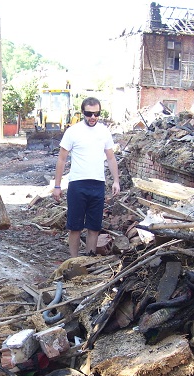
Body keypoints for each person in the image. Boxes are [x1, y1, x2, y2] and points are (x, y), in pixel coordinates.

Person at [52, 97, 120, 257]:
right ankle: (74, 262)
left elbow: (110, 157)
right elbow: (61, 159)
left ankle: (89, 259)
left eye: (96, 114)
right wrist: (57, 186)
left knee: (94, 226)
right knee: (75, 226)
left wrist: (116, 180)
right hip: (77, 185)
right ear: (83, 112)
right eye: (89, 114)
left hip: (97, 185)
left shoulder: (104, 131)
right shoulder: (73, 131)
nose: (93, 117)